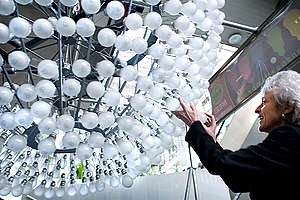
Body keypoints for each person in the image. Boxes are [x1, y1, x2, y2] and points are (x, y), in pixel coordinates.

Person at [172, 70, 300, 200]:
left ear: (287, 107)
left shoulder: (291, 138)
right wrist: (212, 141)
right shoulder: (289, 145)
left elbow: (226, 165)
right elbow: (238, 178)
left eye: (264, 102)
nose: (257, 109)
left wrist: (196, 126)